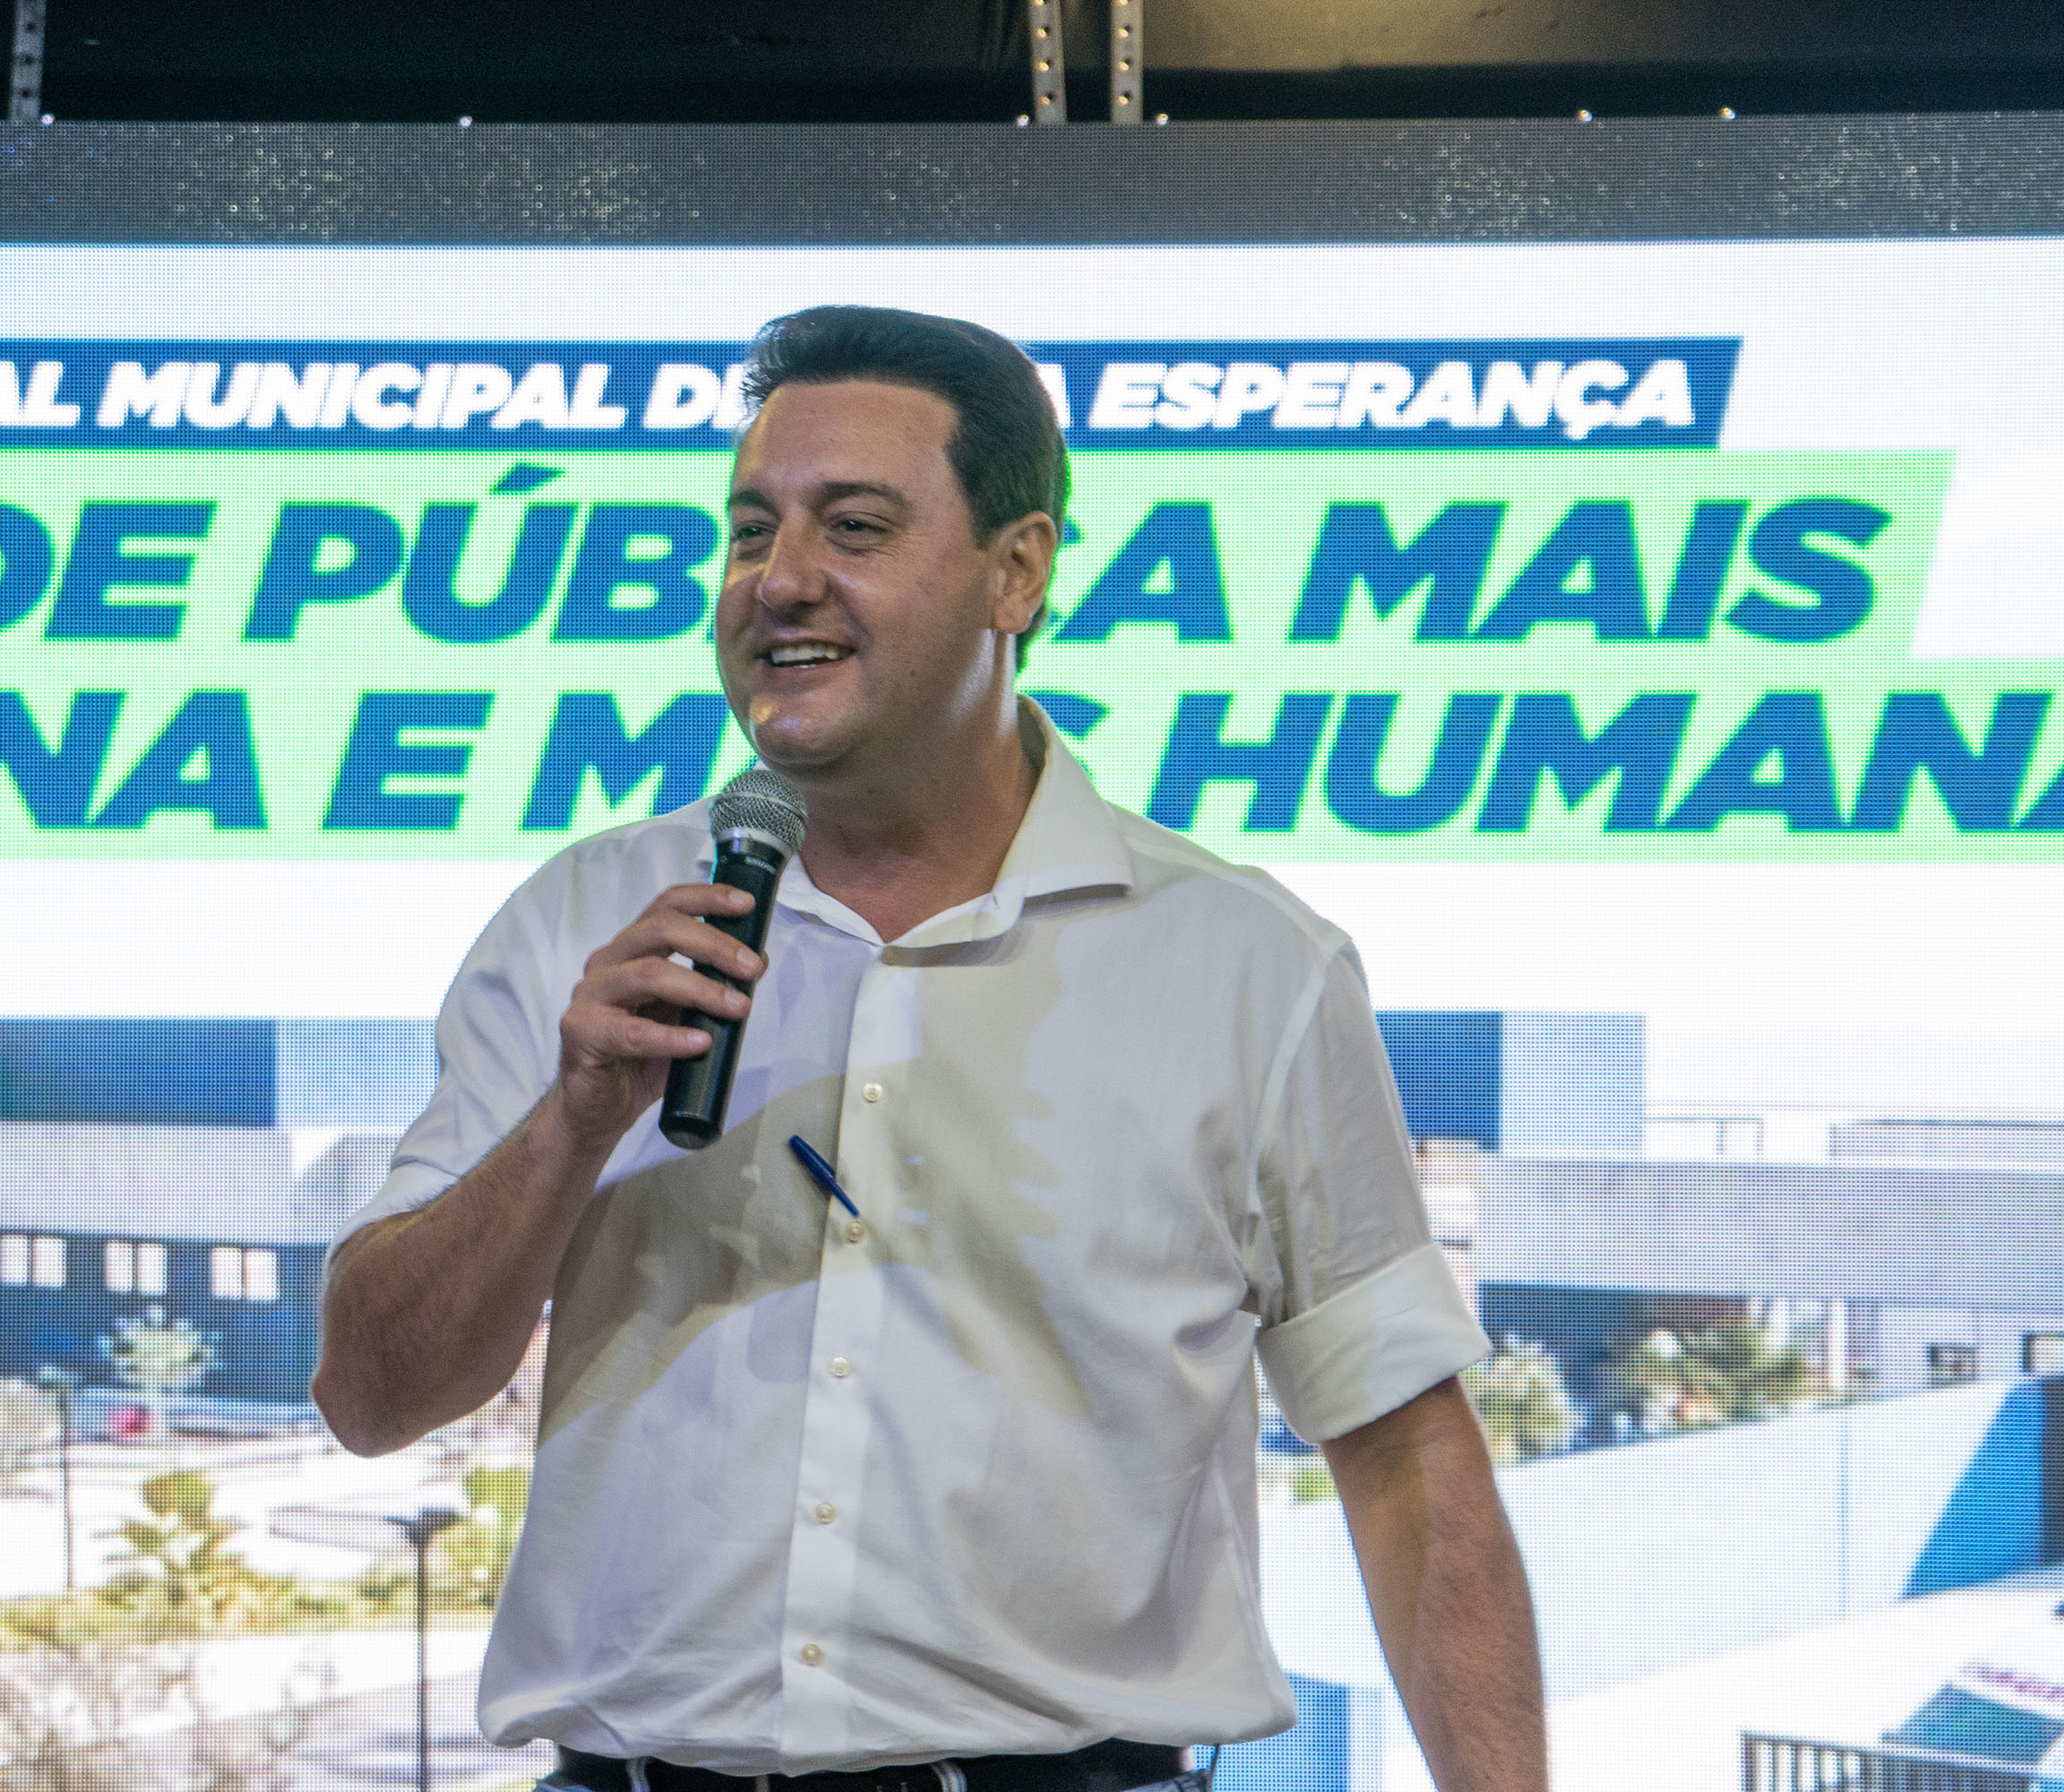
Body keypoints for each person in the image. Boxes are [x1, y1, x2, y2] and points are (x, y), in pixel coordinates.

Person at [315, 306, 1544, 1792]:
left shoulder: (1246, 965)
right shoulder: (583, 922)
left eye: (854, 526)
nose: (779, 580)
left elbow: (1408, 1458)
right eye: (750, 528)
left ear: (1015, 572)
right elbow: (370, 1398)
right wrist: (572, 1123)